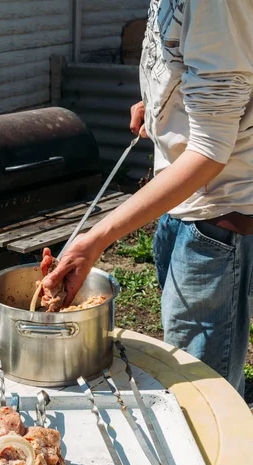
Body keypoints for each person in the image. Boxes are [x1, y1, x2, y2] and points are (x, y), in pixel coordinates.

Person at [43, 0, 253, 397]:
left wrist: (98, 238)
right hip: (178, 198)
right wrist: (159, 106)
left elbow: (209, 151)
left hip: (215, 211)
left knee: (203, 390)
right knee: (182, 354)